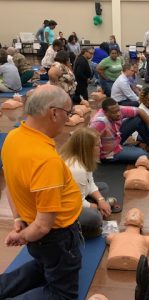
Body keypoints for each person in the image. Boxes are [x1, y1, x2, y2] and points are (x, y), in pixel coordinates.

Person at [0, 85, 82, 299]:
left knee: (43, 266)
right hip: (56, 237)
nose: (68, 118)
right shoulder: (45, 160)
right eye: (68, 112)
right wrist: (23, 236)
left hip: (37, 230)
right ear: (54, 113)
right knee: (62, 295)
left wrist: (19, 218)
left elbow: (11, 185)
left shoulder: (14, 137)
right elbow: (44, 226)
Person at [60, 127, 111, 238]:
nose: (101, 147)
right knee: (95, 218)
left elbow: (90, 183)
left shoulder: (84, 159)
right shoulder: (76, 169)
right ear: (87, 148)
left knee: (103, 187)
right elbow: (76, 201)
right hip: (66, 207)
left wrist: (101, 200)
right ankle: (80, 228)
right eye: (97, 145)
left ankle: (103, 207)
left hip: (78, 196)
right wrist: (95, 206)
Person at [89, 97, 149, 163]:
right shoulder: (99, 122)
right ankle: (110, 157)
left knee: (137, 119)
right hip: (110, 152)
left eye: (118, 110)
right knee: (143, 154)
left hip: (116, 138)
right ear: (106, 112)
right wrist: (96, 159)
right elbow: (88, 141)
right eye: (114, 112)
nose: (118, 113)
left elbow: (140, 111)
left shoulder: (117, 109)